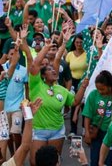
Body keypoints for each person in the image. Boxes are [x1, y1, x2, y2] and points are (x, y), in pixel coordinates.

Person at [27, 27, 88, 166]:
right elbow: (35, 64)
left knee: (54, 162)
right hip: (38, 131)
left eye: (54, 69)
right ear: (42, 75)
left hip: (57, 132)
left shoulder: (61, 90)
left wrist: (83, 86)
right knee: (35, 162)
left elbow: (75, 101)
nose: (53, 70)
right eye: (49, 69)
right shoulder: (36, 85)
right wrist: (47, 47)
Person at [83, 70, 112, 166]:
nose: (100, 91)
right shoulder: (93, 95)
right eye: (98, 89)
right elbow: (87, 115)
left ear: (110, 86)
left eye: (102, 89)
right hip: (97, 132)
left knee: (109, 161)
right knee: (95, 160)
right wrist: (87, 133)